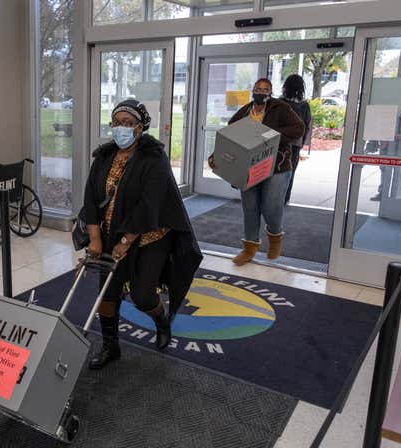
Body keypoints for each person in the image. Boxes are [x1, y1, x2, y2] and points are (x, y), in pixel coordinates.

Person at [83, 99, 203, 370]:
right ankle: (110, 346)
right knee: (107, 294)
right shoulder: (104, 156)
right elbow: (90, 198)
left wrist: (126, 241)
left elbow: (149, 205)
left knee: (142, 295)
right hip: (110, 235)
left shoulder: (154, 158)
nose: (121, 128)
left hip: (150, 236)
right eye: (116, 123)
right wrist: (95, 238)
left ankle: (161, 319)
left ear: (141, 127)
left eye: (128, 123)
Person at [208, 78, 304, 266]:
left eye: (265, 89)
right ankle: (249, 249)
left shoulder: (280, 108)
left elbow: (298, 128)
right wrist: (216, 156)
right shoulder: (244, 112)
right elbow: (230, 138)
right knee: (250, 209)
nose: (261, 91)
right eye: (258, 88)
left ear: (271, 91)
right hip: (249, 168)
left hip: (276, 167)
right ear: (253, 90)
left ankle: (275, 238)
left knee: (271, 207)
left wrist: (269, 136)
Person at [280, 74, 312, 204]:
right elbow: (307, 126)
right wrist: (302, 143)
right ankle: (285, 199)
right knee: (289, 172)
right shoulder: (304, 106)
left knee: (276, 171)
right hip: (295, 145)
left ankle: (273, 198)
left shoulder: (279, 103)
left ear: (285, 87)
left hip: (279, 143)